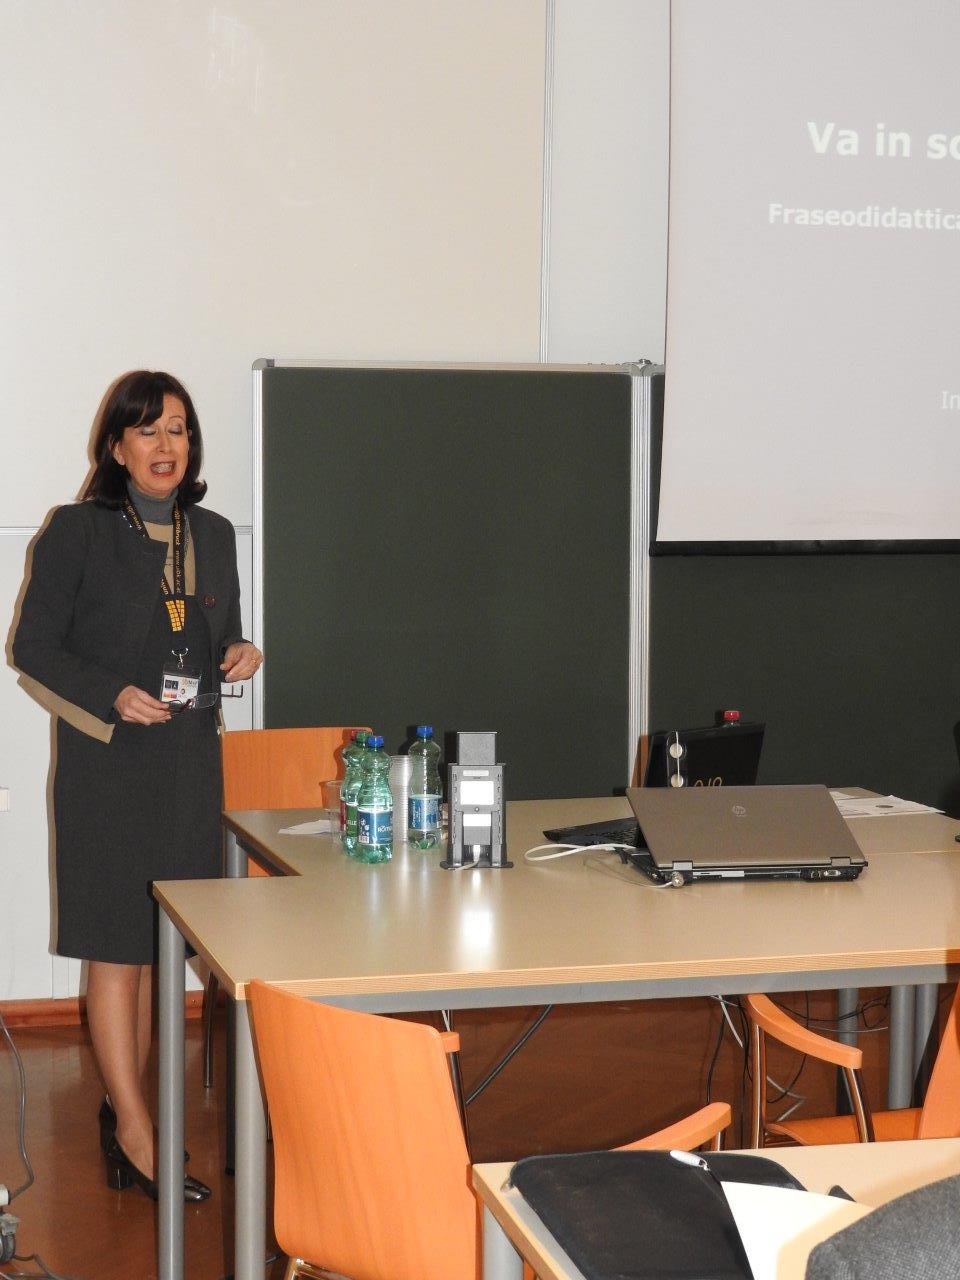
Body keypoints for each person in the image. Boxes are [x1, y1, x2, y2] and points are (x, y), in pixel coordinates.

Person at [13, 371, 263, 1202]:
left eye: (178, 429)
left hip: (188, 767)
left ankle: (127, 1110)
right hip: (109, 768)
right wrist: (110, 696)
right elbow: (33, 649)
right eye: (148, 430)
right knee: (118, 948)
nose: (166, 446)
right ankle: (135, 1129)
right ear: (117, 447)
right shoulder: (78, 531)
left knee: (164, 949)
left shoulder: (213, 533)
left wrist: (241, 652)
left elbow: (215, 636)